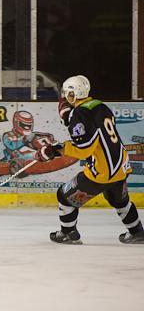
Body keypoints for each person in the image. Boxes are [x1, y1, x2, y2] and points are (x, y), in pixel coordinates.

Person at [35, 75, 144, 244]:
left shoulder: (79, 114)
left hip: (101, 172)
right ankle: (137, 232)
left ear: (73, 94)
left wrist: (55, 150)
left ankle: (67, 233)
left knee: (64, 196)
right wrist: (70, 118)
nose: (65, 97)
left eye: (67, 94)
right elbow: (92, 128)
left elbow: (83, 148)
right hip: (120, 166)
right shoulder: (99, 105)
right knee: (119, 201)